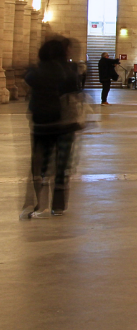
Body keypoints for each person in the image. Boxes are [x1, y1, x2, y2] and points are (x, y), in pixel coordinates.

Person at [21, 37, 82, 217]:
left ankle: (37, 204)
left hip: (41, 123)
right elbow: (74, 93)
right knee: (62, 165)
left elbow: (28, 84)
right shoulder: (69, 71)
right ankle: (58, 205)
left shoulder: (35, 71)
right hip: (63, 124)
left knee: (40, 164)